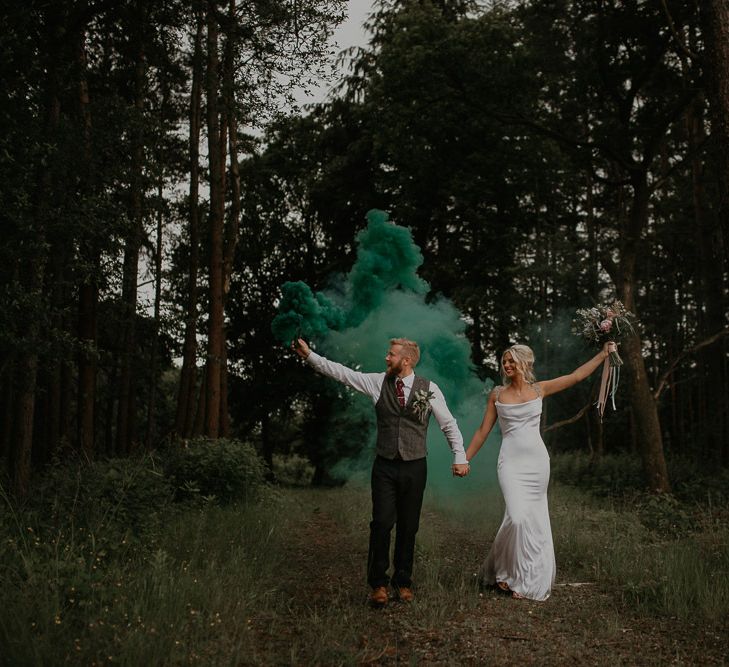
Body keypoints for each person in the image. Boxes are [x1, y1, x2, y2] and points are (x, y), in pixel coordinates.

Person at [292, 337, 470, 606]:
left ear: (406, 360)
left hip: (415, 466)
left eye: (391, 355)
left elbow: (448, 424)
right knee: (382, 523)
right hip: (385, 465)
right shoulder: (377, 382)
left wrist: (460, 456)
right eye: (388, 354)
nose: (386, 358)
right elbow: (343, 374)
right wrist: (309, 356)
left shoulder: (429, 388)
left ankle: (403, 581)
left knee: (409, 526)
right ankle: (378, 584)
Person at [465, 341, 616, 601]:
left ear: (525, 363)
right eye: (505, 361)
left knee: (533, 520)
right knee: (516, 516)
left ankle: (522, 578)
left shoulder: (540, 389)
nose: (506, 365)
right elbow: (482, 431)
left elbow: (576, 376)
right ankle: (503, 571)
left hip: (537, 463)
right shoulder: (497, 395)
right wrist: (463, 458)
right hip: (510, 463)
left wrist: (603, 354)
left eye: (511, 360)